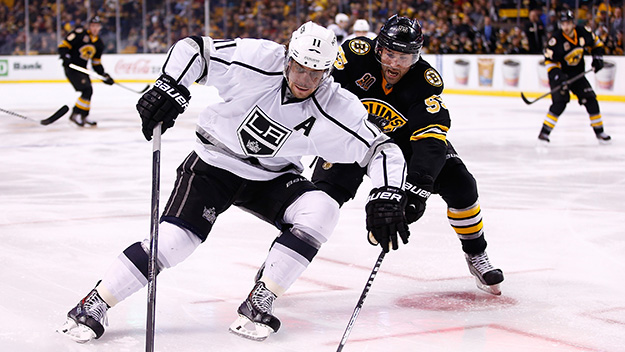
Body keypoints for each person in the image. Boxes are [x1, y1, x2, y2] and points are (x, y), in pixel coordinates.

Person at [57, 22, 409, 343]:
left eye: (315, 73)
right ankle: (95, 302)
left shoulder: (336, 105)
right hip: (214, 163)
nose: (304, 79)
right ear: (288, 57)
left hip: (272, 177)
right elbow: (195, 48)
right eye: (299, 67)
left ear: (328, 72)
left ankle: (264, 294)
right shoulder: (259, 59)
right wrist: (170, 84)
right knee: (175, 242)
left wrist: (389, 194)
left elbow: (381, 148)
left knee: (322, 208)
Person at [311, 15, 504, 295]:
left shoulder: (424, 81)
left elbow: (431, 140)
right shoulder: (354, 58)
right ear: (378, 48)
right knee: (319, 203)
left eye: (405, 57)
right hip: (349, 141)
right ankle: (281, 262)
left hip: (403, 145)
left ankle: (476, 254)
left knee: (461, 183)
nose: (395, 64)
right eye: (390, 54)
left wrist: (417, 189)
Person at [538, 10, 611, 144]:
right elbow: (550, 62)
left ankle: (599, 132)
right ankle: (544, 133)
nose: (565, 27)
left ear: (573, 23)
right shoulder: (556, 41)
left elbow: (597, 43)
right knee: (560, 103)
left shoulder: (583, 32)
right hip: (560, 75)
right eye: (563, 24)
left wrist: (598, 58)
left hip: (577, 75)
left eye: (568, 23)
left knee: (591, 100)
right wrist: (558, 77)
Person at [58, 15, 114, 127]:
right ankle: (75, 114)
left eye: (97, 26)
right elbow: (63, 46)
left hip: (82, 69)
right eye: (93, 25)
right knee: (87, 90)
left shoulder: (99, 44)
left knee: (89, 91)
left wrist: (103, 75)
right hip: (72, 68)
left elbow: (96, 63)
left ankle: (84, 116)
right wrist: (65, 57)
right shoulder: (79, 35)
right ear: (89, 26)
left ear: (100, 27)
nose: (94, 28)